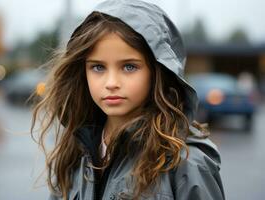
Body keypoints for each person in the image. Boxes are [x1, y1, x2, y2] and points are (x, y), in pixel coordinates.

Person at [31, 0, 225, 199]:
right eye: (98, 67)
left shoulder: (187, 163)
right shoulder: (74, 152)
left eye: (129, 66)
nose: (111, 83)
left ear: (158, 72)